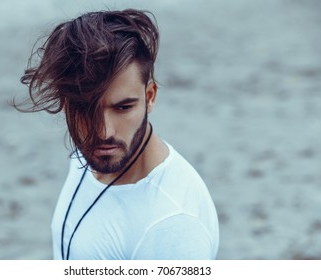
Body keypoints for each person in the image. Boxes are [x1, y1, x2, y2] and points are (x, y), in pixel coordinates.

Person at [15, 9, 219, 260]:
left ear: (150, 96)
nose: (104, 131)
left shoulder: (171, 225)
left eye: (123, 107)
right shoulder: (88, 158)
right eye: (86, 108)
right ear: (66, 101)